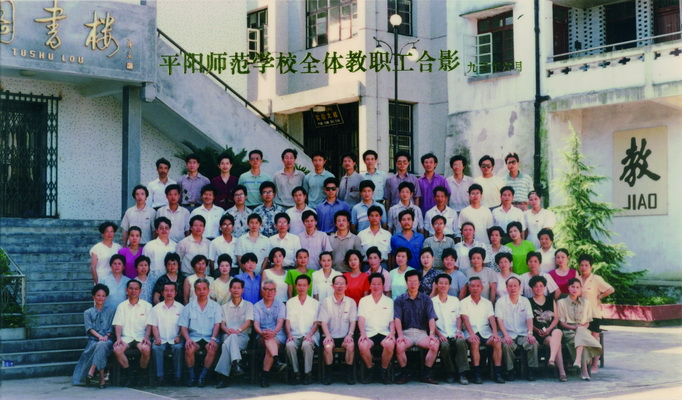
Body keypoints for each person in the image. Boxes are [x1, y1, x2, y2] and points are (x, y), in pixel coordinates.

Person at [393, 270, 439, 384]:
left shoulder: (426, 299)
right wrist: (400, 335)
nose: (412, 284)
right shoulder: (399, 300)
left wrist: (431, 334)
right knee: (399, 346)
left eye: (415, 281)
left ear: (419, 283)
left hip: (421, 334)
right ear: (406, 283)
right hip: (406, 333)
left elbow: (431, 318)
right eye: (410, 281)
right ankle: (404, 373)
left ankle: (426, 373)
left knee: (434, 344)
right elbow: (397, 318)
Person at [460, 277, 505, 384]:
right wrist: (471, 334)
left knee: (497, 342)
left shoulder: (487, 303)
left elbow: (492, 319)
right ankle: (477, 374)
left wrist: (495, 333)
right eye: (472, 286)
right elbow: (465, 319)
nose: (475, 288)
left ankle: (497, 373)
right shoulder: (463, 302)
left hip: (485, 331)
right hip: (470, 331)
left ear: (482, 288)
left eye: (478, 286)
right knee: (475, 342)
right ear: (469, 288)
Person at [179, 278, 222, 387]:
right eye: (198, 289)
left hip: (210, 337)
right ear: (195, 291)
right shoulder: (188, 307)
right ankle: (192, 377)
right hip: (194, 337)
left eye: (204, 289)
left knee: (212, 348)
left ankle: (202, 377)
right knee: (189, 348)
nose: (201, 291)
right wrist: (188, 339)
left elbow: (217, 324)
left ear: (208, 290)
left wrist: (213, 339)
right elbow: (183, 327)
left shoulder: (216, 306)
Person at [557, 278, 602, 381]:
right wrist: (574, 328)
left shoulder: (586, 303)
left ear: (581, 289)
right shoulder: (561, 303)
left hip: (583, 329)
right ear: (568, 288)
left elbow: (588, 321)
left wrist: (580, 328)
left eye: (577, 287)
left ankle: (578, 361)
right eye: (572, 287)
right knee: (581, 341)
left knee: (581, 332)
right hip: (569, 331)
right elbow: (561, 323)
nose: (575, 289)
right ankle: (584, 370)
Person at [495, 276, 539, 381]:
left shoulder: (525, 301)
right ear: (506, 288)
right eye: (510, 286)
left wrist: (530, 333)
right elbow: (499, 320)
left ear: (519, 287)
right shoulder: (500, 302)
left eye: (515, 286)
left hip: (523, 333)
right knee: (506, 345)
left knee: (533, 343)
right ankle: (510, 370)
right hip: (508, 333)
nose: (513, 288)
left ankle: (531, 370)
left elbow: (529, 318)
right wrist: (505, 335)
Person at [72, 284, 115, 388]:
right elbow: (89, 328)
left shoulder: (111, 311)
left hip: (108, 340)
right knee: (100, 345)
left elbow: (111, 326)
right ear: (93, 296)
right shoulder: (87, 312)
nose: (101, 298)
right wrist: (100, 337)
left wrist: (106, 336)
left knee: (102, 344)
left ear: (106, 297)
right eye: (98, 295)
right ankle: (102, 380)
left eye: (103, 296)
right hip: (94, 340)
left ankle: (91, 370)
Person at [317, 274, 358, 385]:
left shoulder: (351, 302)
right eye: (337, 284)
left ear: (346, 286)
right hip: (331, 335)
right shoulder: (326, 302)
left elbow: (353, 321)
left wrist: (350, 334)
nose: (340, 286)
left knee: (350, 345)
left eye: (342, 284)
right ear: (332, 286)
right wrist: (327, 335)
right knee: (327, 346)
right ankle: (328, 374)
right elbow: (323, 321)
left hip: (345, 336)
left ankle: (349, 374)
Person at [214, 278, 254, 388]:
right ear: (230, 290)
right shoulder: (223, 307)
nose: (236, 290)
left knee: (227, 345)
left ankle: (224, 377)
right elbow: (222, 324)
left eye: (238, 288)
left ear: (242, 290)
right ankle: (236, 364)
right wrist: (227, 330)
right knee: (231, 338)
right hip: (227, 335)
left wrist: (238, 330)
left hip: (242, 336)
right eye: (234, 288)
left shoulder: (249, 305)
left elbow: (248, 322)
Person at [112, 280, 152, 387]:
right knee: (117, 349)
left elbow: (149, 324)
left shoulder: (147, 306)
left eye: (136, 289)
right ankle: (129, 375)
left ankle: (141, 375)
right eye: (131, 288)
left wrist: (147, 337)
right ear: (127, 290)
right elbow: (118, 324)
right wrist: (118, 338)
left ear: (140, 291)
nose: (133, 291)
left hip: (141, 337)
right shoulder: (121, 306)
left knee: (146, 349)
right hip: (126, 337)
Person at [578, 254, 614, 374]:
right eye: (582, 265)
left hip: (593, 314)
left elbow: (610, 289)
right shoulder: (577, 278)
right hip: (580, 315)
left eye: (586, 265)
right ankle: (585, 362)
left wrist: (600, 296)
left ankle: (594, 364)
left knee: (594, 339)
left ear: (591, 267)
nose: (584, 267)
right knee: (583, 339)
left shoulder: (596, 279)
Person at [432, 273, 470, 385]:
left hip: (454, 332)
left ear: (449, 285)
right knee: (444, 345)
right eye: (441, 283)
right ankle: (450, 372)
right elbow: (431, 321)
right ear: (436, 285)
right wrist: (439, 335)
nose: (443, 286)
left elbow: (458, 318)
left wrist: (458, 330)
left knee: (460, 342)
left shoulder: (455, 300)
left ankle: (462, 373)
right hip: (439, 333)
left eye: (446, 283)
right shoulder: (432, 301)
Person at [357, 273, 395, 384]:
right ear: (369, 285)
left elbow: (392, 320)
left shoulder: (389, 301)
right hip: (369, 333)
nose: (376, 286)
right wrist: (362, 333)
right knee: (363, 345)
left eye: (379, 284)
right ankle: (371, 371)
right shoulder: (364, 301)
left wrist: (392, 332)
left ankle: (383, 371)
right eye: (373, 284)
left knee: (389, 344)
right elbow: (361, 319)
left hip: (384, 332)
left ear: (383, 286)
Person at [528, 275, 567, 382]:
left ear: (545, 287)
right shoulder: (529, 302)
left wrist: (549, 328)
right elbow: (528, 320)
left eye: (541, 286)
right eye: (536, 286)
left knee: (557, 331)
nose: (539, 288)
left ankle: (551, 359)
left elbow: (556, 318)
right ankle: (562, 372)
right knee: (557, 344)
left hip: (551, 329)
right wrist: (537, 330)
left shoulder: (551, 300)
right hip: (539, 333)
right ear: (532, 288)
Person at [285, 275, 320, 385]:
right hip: (294, 334)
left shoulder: (315, 303)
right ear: (295, 286)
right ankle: (296, 373)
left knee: (306, 345)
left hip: (310, 334)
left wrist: (310, 334)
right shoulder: (290, 302)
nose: (301, 287)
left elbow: (317, 322)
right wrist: (289, 335)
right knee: (289, 345)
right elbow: (287, 321)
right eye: (299, 285)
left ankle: (308, 373)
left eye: (304, 285)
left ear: (308, 286)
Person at [148, 282, 185, 387]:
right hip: (161, 338)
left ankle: (178, 378)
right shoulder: (156, 308)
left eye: (172, 291)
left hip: (176, 338)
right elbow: (154, 326)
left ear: (176, 293)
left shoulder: (181, 308)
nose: (169, 293)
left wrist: (179, 337)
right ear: (162, 293)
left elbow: (183, 326)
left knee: (178, 348)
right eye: (166, 291)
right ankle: (160, 377)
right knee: (156, 348)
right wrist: (157, 338)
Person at [254, 279, 288, 388]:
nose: (269, 292)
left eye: (272, 290)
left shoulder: (280, 305)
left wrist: (274, 332)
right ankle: (277, 361)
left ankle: (265, 376)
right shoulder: (257, 306)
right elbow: (256, 324)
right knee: (268, 340)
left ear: (275, 292)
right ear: (262, 291)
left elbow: (280, 322)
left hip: (278, 335)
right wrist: (262, 332)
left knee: (270, 344)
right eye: (266, 289)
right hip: (262, 335)